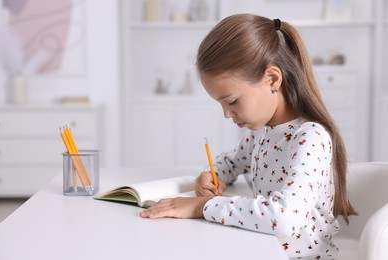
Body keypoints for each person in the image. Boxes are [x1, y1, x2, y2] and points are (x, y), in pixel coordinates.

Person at [140, 14, 356, 259]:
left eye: (232, 101)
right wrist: (212, 175)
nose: (226, 113)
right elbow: (232, 162)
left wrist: (203, 206)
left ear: (272, 79)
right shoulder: (263, 131)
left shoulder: (310, 138)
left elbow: (285, 218)